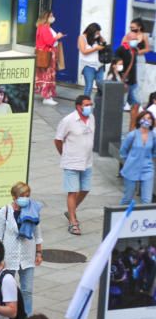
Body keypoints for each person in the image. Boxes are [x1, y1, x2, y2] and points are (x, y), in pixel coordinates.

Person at [0, 182, 43, 313]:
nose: (26, 199)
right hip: (9, 257)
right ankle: (6, 314)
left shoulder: (33, 210)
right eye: (22, 196)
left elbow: (37, 234)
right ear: (14, 197)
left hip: (27, 256)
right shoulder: (4, 212)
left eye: (27, 195)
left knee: (27, 291)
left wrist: (39, 253)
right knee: (6, 289)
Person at [54, 95, 95, 235]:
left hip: (87, 161)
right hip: (71, 161)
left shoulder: (91, 118)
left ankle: (71, 210)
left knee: (85, 189)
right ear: (79, 106)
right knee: (72, 191)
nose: (90, 106)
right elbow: (58, 140)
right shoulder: (68, 120)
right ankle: (73, 222)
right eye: (87, 104)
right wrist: (64, 154)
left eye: (91, 104)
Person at [119, 111, 155, 206]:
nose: (146, 120)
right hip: (131, 168)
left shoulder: (153, 136)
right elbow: (123, 151)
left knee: (147, 200)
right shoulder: (132, 135)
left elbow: (154, 152)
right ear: (139, 120)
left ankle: (144, 220)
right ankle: (120, 218)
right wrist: (130, 161)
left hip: (147, 169)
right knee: (127, 198)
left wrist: (150, 162)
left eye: (149, 118)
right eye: (144, 118)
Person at [115, 18, 147, 113]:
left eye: (133, 27)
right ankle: (131, 103)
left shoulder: (143, 36)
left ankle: (132, 103)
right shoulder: (128, 36)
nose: (131, 28)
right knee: (129, 83)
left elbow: (147, 49)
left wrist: (137, 51)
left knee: (136, 82)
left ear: (139, 27)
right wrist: (130, 49)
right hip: (129, 59)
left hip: (139, 59)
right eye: (130, 27)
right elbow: (122, 48)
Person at [34, 11, 63, 106]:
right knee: (48, 75)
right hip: (48, 55)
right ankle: (47, 97)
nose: (53, 17)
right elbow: (49, 41)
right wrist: (57, 37)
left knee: (47, 75)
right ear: (45, 18)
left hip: (48, 54)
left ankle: (48, 96)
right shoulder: (44, 28)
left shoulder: (45, 28)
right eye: (50, 16)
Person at [78, 23, 107, 97]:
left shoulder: (96, 38)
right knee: (89, 86)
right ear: (91, 31)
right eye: (97, 32)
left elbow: (104, 43)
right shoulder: (82, 37)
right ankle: (85, 105)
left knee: (101, 86)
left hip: (99, 65)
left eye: (99, 32)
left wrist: (100, 36)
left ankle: (99, 104)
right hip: (88, 66)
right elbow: (83, 51)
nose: (98, 34)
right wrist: (95, 48)